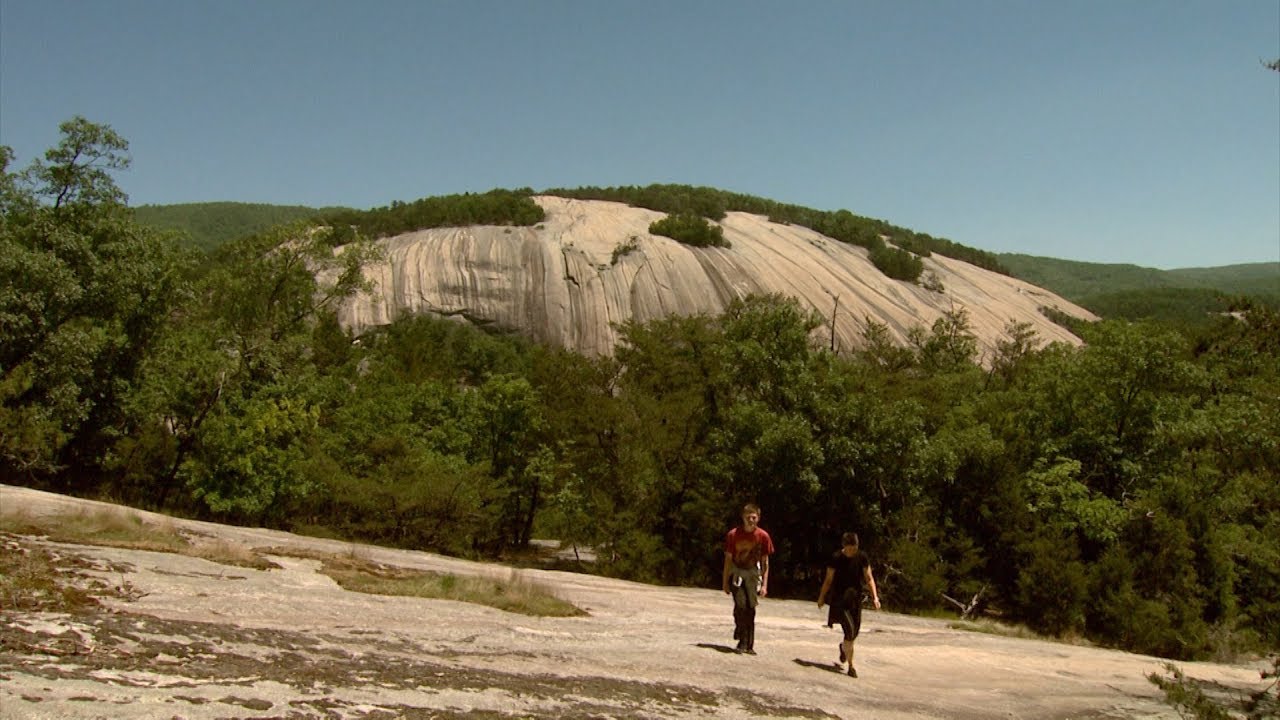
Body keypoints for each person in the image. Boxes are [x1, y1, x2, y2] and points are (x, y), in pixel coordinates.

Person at [816, 531, 880, 677]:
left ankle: (844, 648)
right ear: (844, 546)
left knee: (854, 632)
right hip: (840, 600)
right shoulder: (836, 558)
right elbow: (828, 580)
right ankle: (851, 667)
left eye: (854, 548)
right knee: (850, 632)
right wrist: (822, 597)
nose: (852, 551)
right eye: (849, 548)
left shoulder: (862, 557)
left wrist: (875, 597)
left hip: (855, 599)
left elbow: (869, 578)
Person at [722, 503, 775, 654]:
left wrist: (764, 584)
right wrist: (725, 582)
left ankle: (748, 644)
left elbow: (765, 562)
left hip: (752, 574)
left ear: (758, 518)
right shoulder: (733, 535)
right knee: (741, 605)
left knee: (751, 608)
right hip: (737, 572)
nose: (751, 520)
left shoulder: (763, 536)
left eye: (754, 517)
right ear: (743, 517)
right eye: (748, 517)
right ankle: (740, 631)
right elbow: (728, 559)